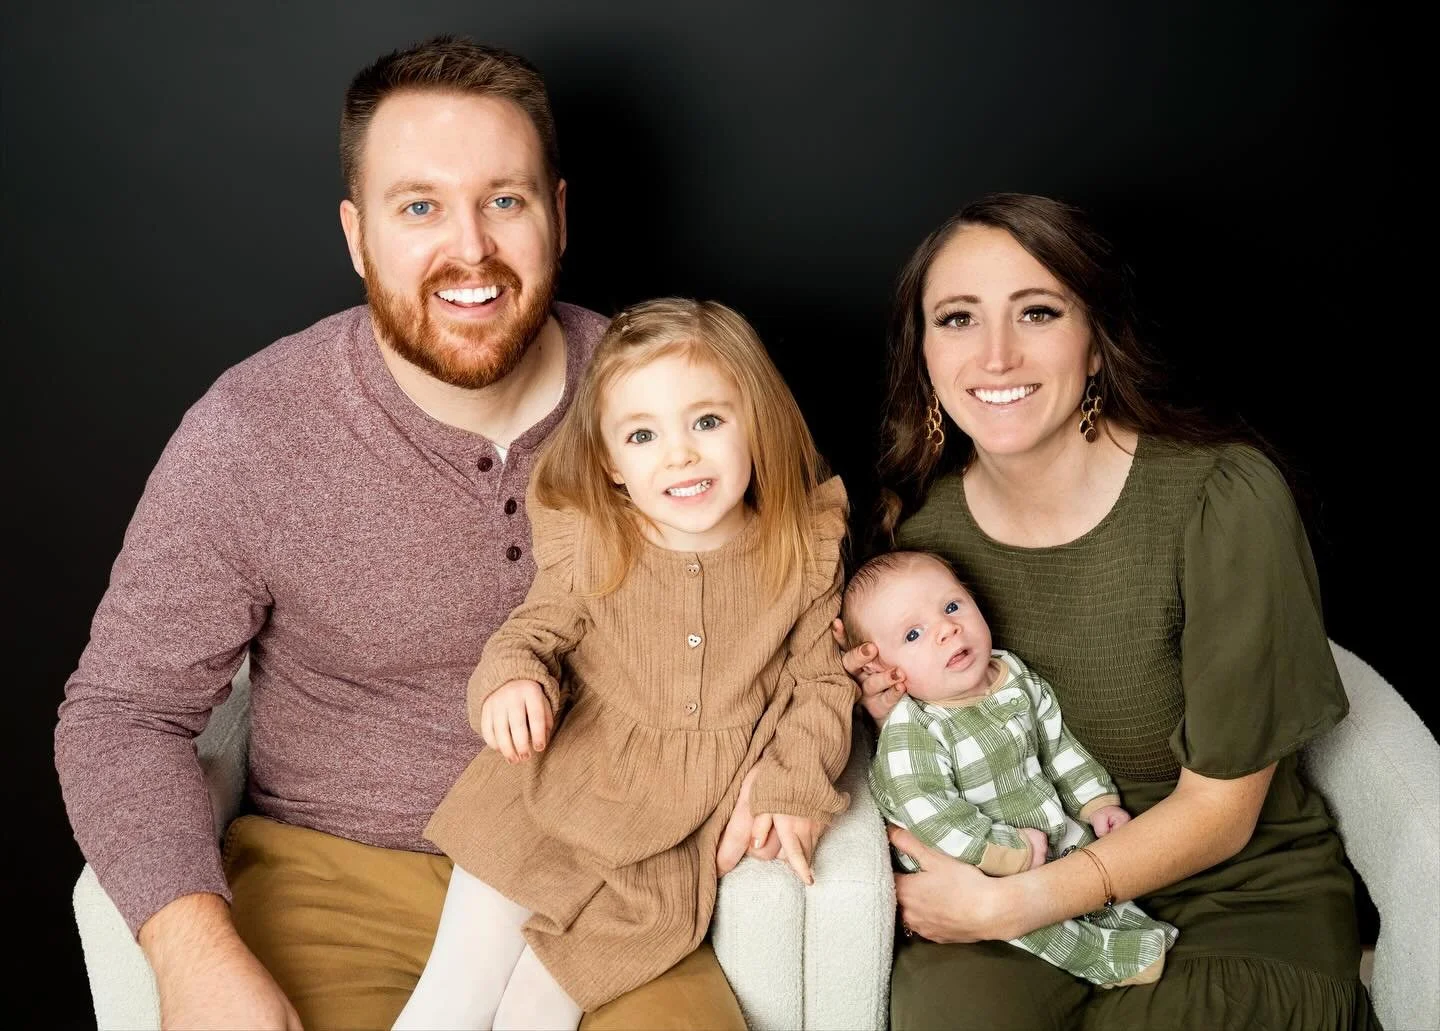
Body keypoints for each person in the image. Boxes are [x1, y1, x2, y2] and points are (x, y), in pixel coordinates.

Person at [55, 37, 758, 1031]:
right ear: (357, 234)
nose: (469, 249)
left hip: (607, 888)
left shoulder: (680, 394)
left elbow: (796, 587)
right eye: (419, 205)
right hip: (339, 881)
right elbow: (122, 709)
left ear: (559, 211)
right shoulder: (255, 430)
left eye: (504, 200)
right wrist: (192, 952)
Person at [833, 193, 1379, 1029]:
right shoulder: (921, 532)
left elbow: (1222, 811)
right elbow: (944, 741)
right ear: (925, 355)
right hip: (1025, 862)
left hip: (1228, 891)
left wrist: (1013, 904)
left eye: (1038, 311)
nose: (996, 354)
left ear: (1095, 344)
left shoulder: (1220, 498)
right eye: (957, 319)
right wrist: (890, 708)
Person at [394, 297, 856, 1029]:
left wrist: (793, 782)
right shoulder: (595, 539)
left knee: (534, 1015)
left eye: (707, 421)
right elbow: (534, 629)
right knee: (451, 1000)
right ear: (610, 462)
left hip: (671, 840)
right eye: (643, 434)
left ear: (756, 423)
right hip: (551, 785)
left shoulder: (802, 547)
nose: (680, 454)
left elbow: (822, 683)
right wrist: (513, 678)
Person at [845, 549, 1177, 989]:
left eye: (951, 606)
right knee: (1032, 924)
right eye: (913, 634)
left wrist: (1096, 801)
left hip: (1043, 825)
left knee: (1086, 861)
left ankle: (1129, 928)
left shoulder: (1013, 675)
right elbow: (928, 811)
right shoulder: (915, 727)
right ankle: (1101, 959)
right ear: (884, 671)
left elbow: (1057, 746)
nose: (947, 629)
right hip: (965, 854)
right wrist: (998, 849)